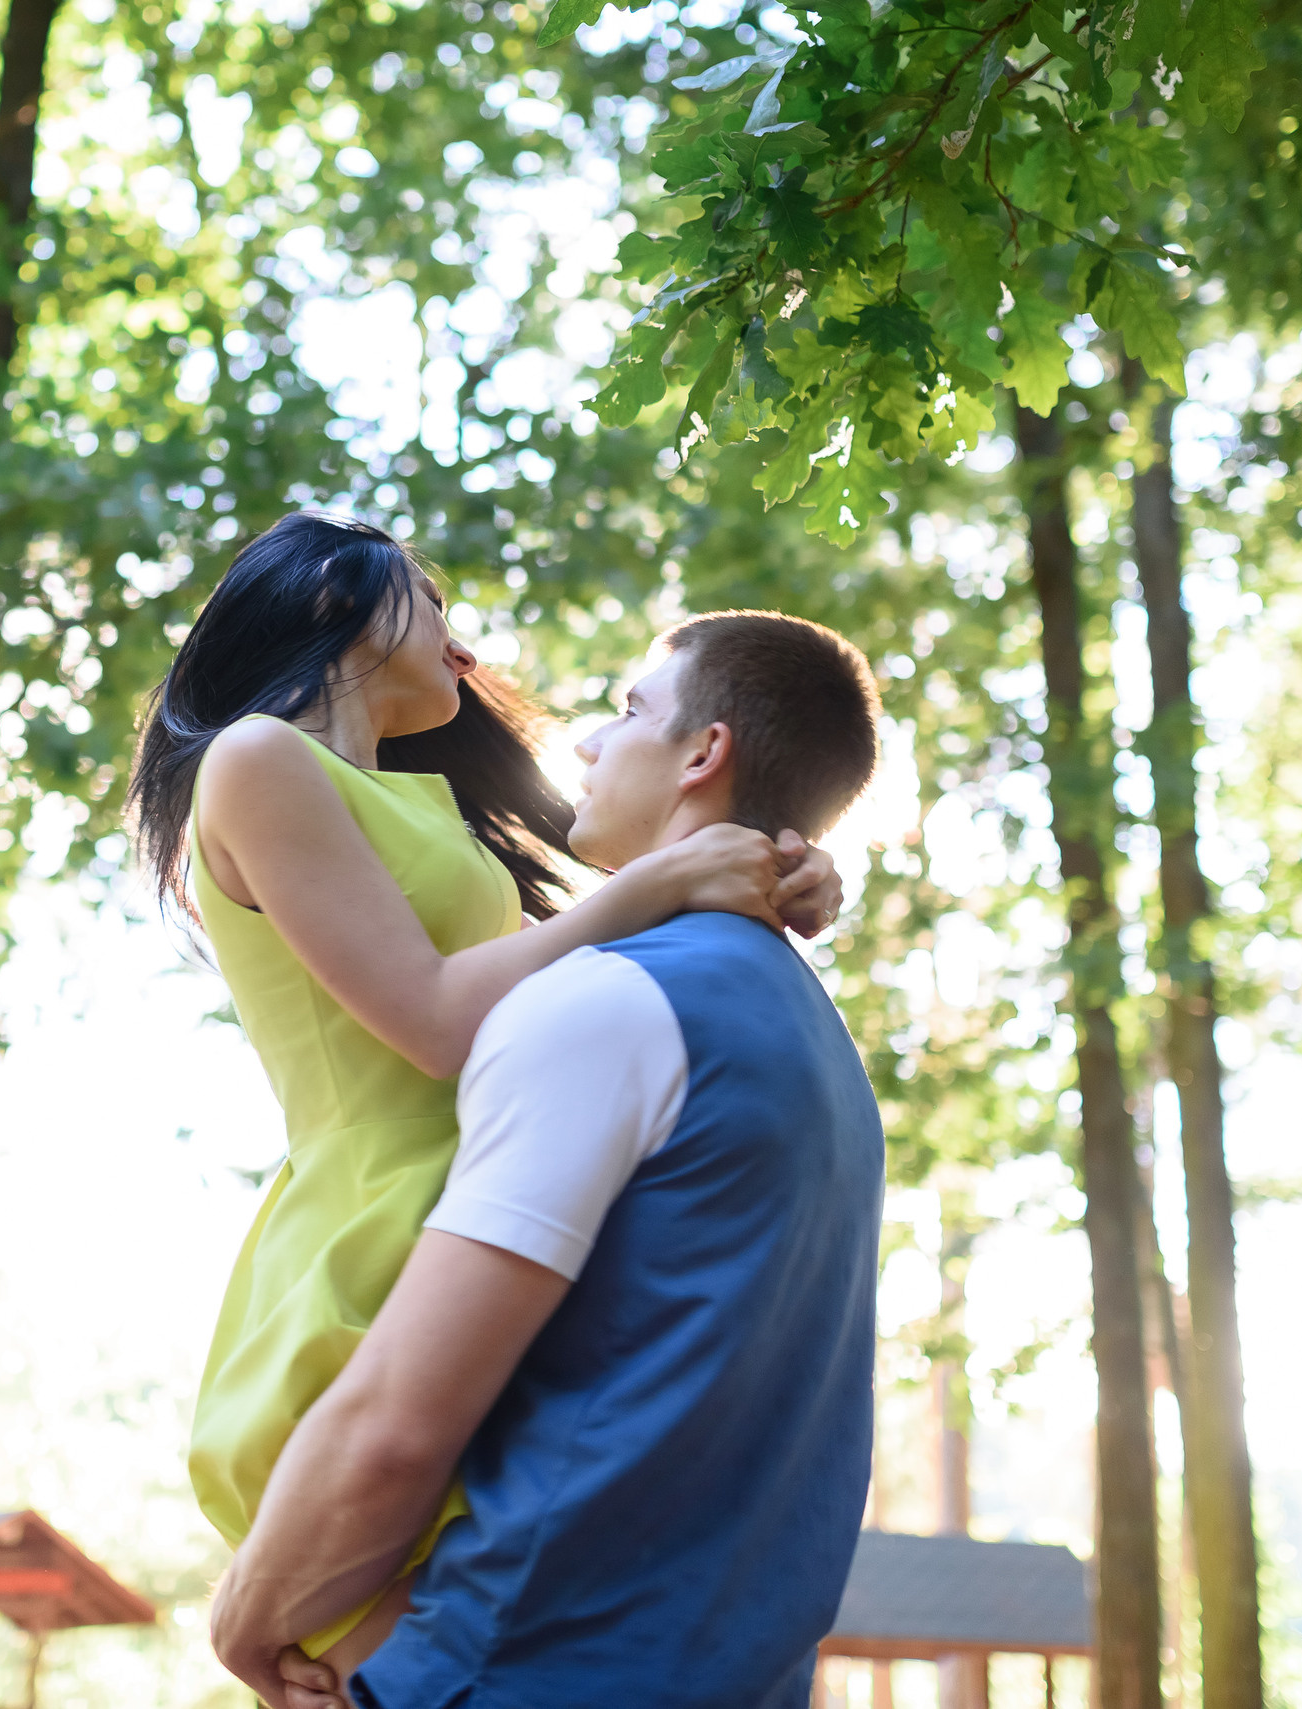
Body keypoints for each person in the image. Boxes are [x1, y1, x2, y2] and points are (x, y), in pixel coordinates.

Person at [126, 515, 842, 1661]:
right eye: (435, 603)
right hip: (373, 1257)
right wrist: (667, 876)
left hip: (475, 1226)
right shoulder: (256, 762)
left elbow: (554, 985)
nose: (464, 648)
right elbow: (437, 1019)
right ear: (333, 599)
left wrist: (777, 868)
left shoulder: (422, 807)